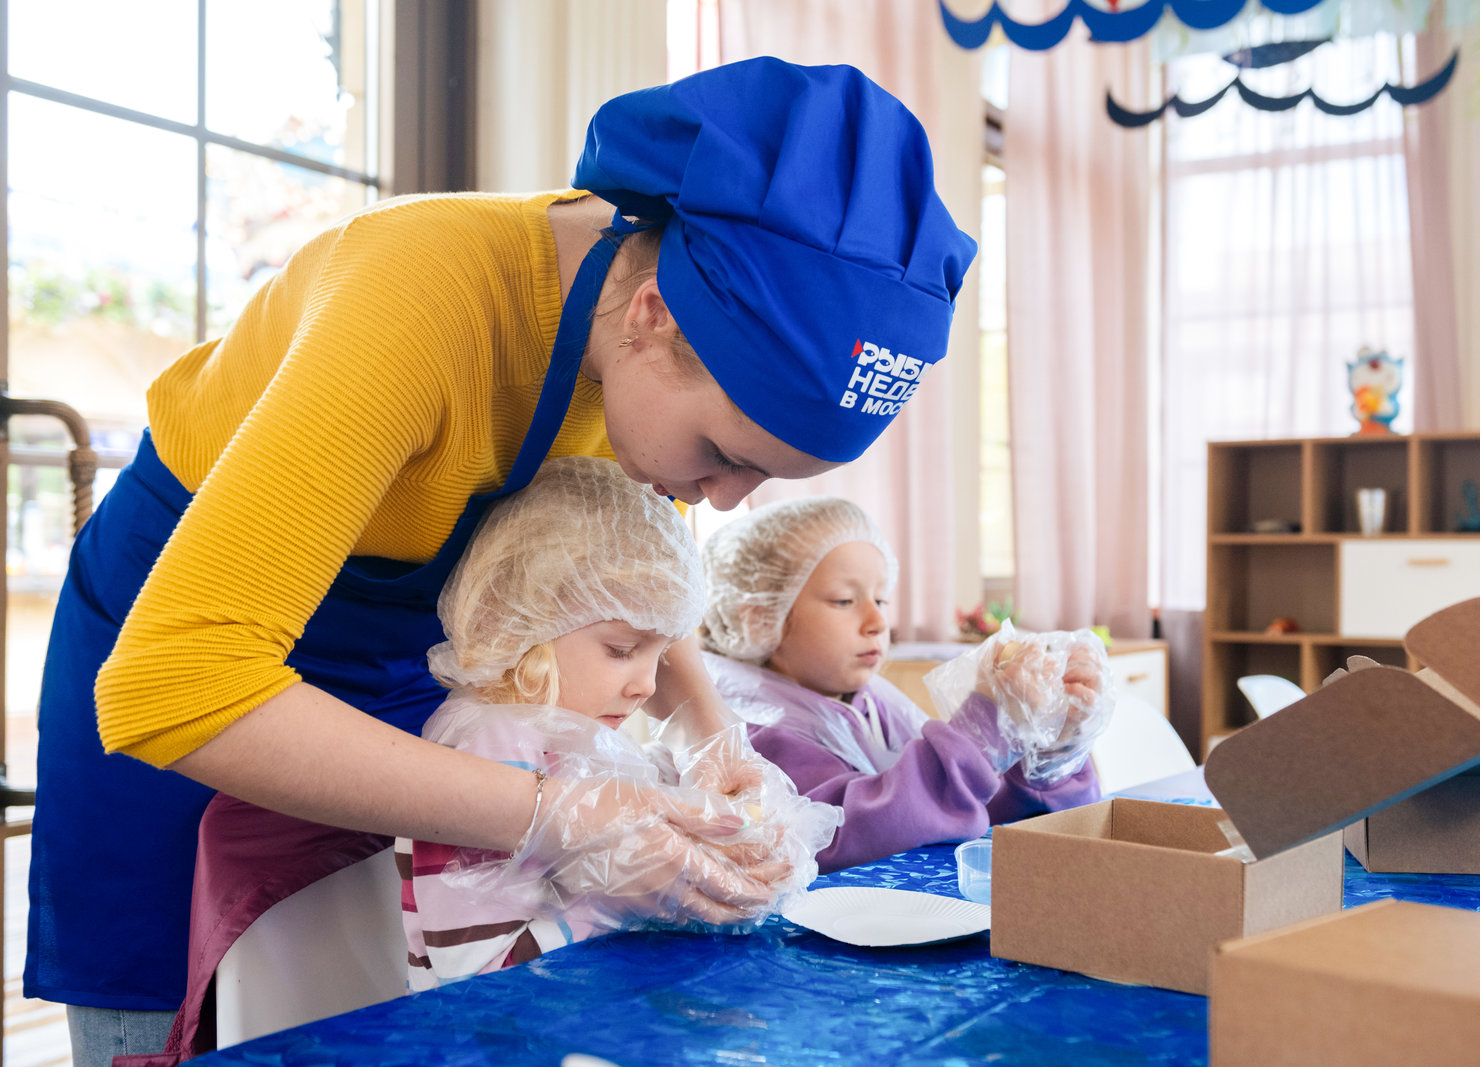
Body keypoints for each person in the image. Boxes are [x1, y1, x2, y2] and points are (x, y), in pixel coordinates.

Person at [26, 56, 976, 1064]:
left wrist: (709, 731)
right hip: (186, 651)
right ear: (655, 313)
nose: (725, 501)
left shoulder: (648, 332)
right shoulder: (417, 296)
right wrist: (558, 810)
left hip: (410, 665)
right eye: (723, 455)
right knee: (184, 1020)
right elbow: (176, 681)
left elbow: (621, 565)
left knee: (390, 997)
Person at [398, 456, 838, 989]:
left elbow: (615, 824)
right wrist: (621, 897)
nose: (648, 686)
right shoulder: (488, 742)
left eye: (659, 653)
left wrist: (723, 840)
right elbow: (475, 973)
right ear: (522, 622)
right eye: (621, 649)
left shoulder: (571, 729)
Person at [699, 497, 1109, 872]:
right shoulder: (754, 733)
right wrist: (984, 728)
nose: (878, 623)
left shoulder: (868, 704)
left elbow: (964, 809)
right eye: (844, 600)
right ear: (757, 618)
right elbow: (843, 836)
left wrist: (1050, 754)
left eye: (881, 600)